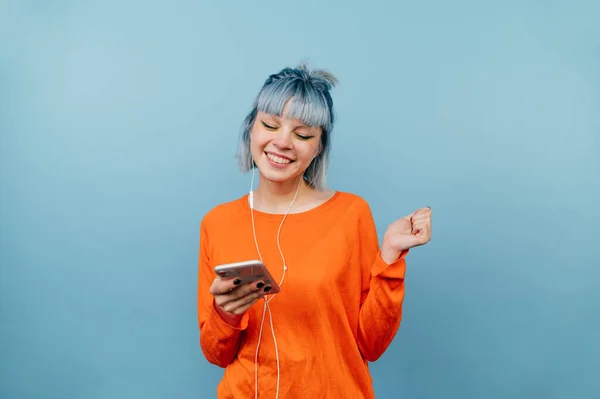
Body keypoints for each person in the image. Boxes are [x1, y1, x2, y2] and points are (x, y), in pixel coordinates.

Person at [197, 62, 432, 398]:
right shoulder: (217, 223)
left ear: (319, 146)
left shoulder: (351, 214)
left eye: (302, 134)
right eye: (270, 125)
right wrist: (225, 312)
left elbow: (371, 345)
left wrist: (390, 257)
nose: (282, 142)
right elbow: (216, 354)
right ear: (251, 128)